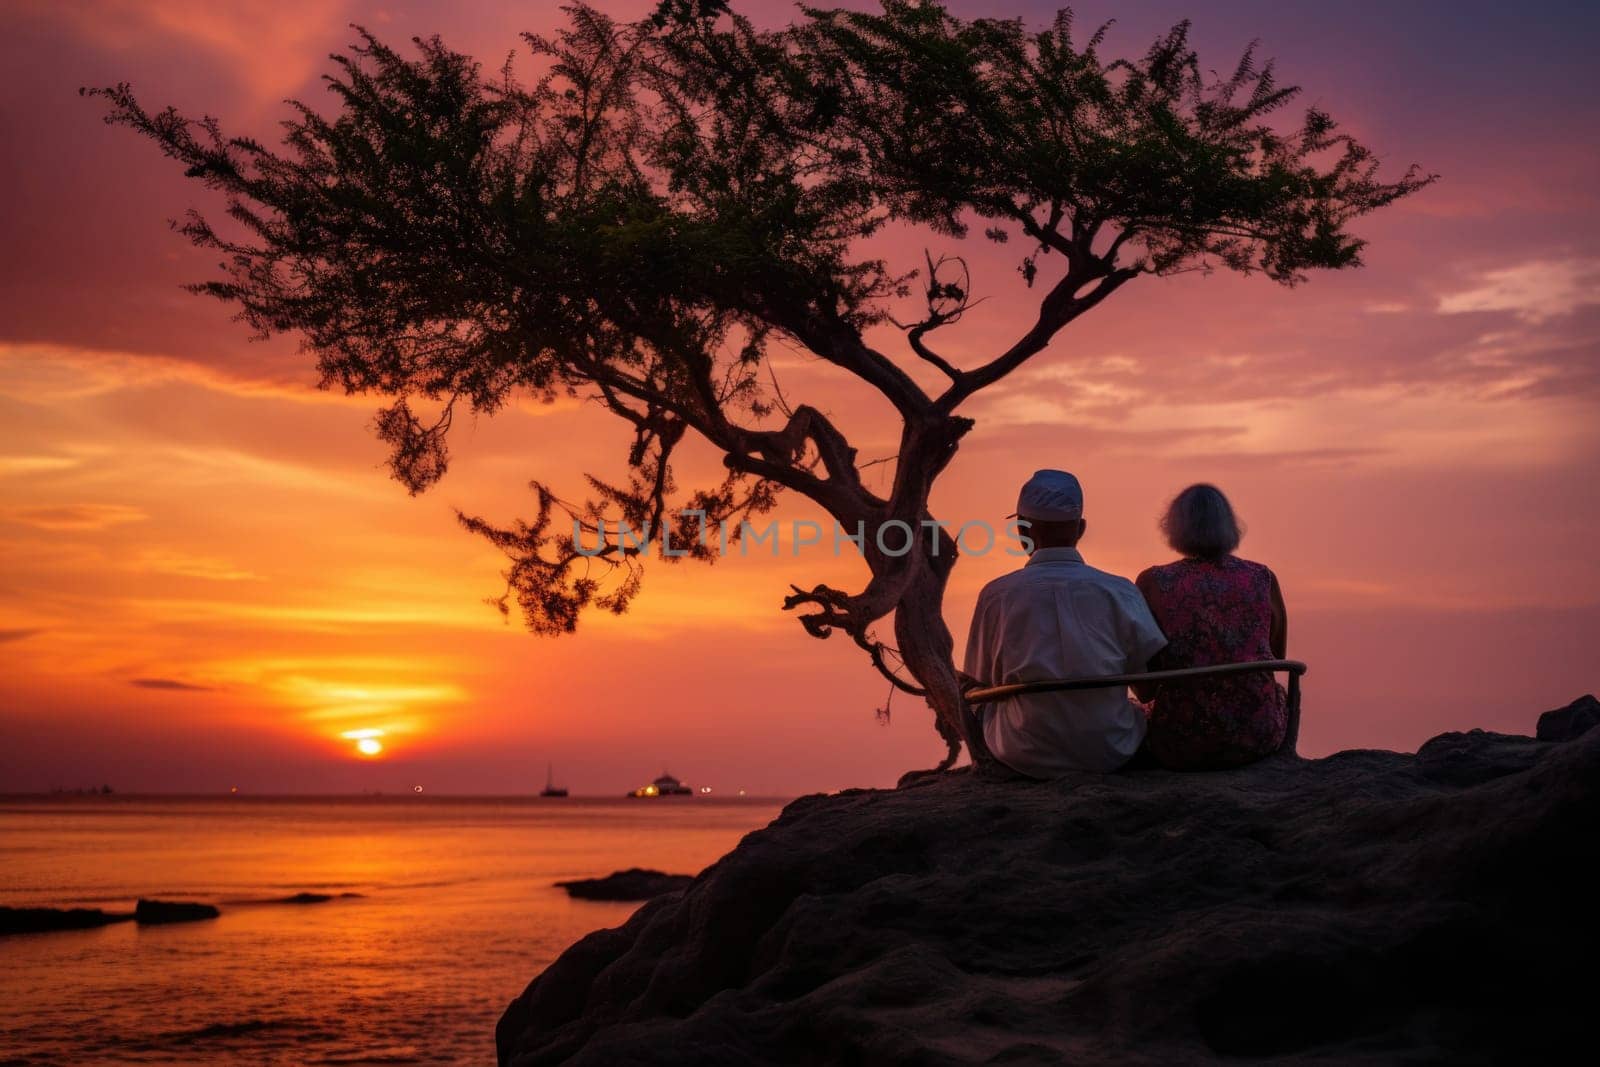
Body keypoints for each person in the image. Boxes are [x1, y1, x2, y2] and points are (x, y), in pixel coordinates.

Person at [961, 470, 1168, 776]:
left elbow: (980, 680)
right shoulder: (1120, 590)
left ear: (1021, 531)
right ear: (1081, 529)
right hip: (1112, 749)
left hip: (1022, 753)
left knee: (964, 685)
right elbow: (1147, 689)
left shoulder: (997, 595)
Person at [1134, 484, 1288, 770]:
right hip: (1257, 733)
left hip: (1180, 739)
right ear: (1230, 526)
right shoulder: (1261, 577)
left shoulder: (1154, 583)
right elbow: (1277, 657)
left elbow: (1146, 690)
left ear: (1173, 527)